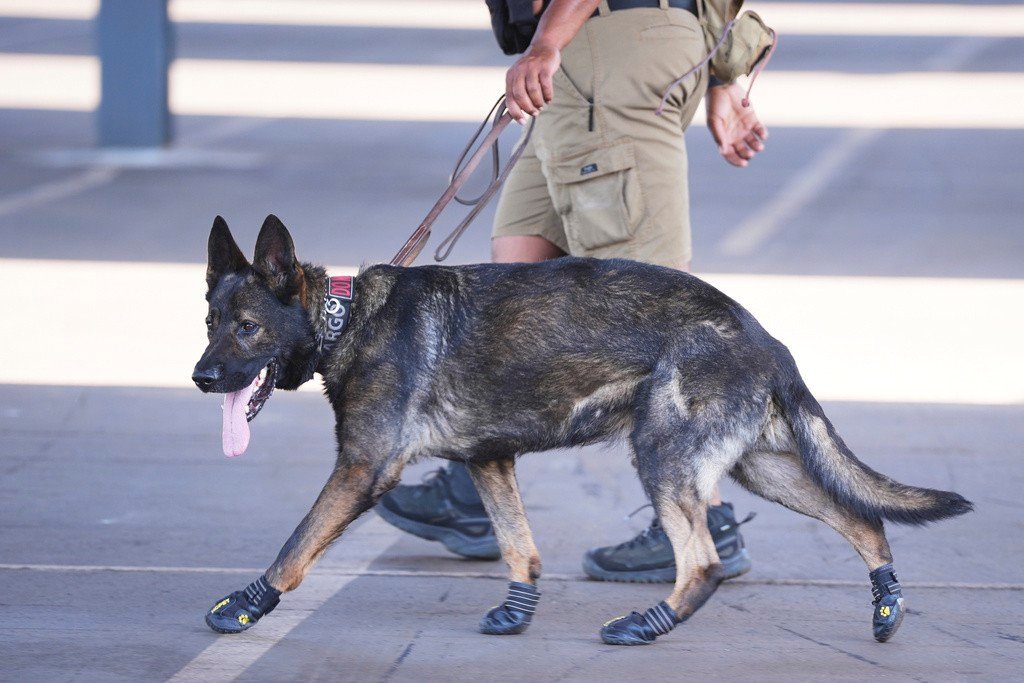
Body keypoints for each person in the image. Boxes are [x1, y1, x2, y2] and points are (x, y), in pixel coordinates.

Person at [376, 0, 768, 583]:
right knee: (510, 298)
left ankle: (697, 524)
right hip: (586, 64)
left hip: (604, 49)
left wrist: (546, 45)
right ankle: (475, 493)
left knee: (648, 310)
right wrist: (719, 73)